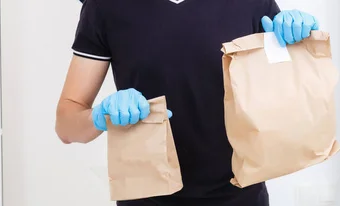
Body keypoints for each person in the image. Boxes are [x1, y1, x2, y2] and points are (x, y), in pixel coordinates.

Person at [55, 0, 319, 205]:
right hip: (146, 199)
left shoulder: (252, 3)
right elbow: (66, 125)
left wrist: (297, 48)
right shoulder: (106, 7)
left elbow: (286, 102)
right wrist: (99, 116)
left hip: (240, 197)